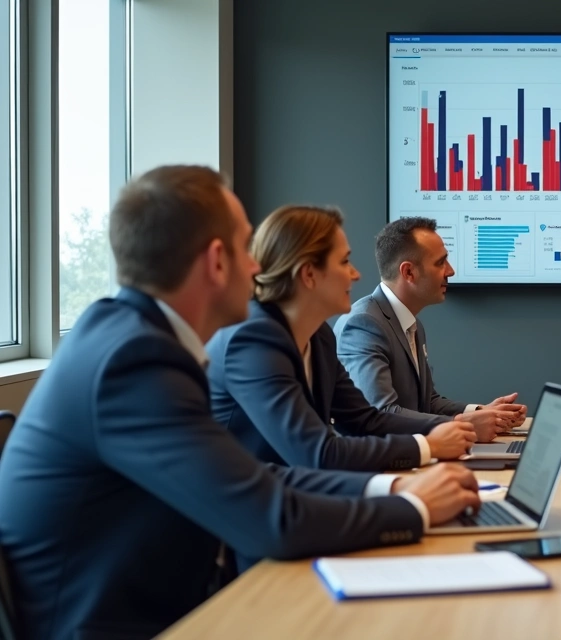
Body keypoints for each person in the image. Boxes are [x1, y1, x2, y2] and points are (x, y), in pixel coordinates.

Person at [0, 166, 480, 640]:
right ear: (216, 261)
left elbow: (256, 477)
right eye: (245, 247)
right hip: (125, 623)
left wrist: (394, 490)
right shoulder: (135, 360)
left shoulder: (134, 338)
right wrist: (414, 507)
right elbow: (273, 519)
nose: (258, 267)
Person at [208, 205, 478, 473]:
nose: (355, 274)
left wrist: (455, 427)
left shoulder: (319, 336)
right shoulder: (253, 341)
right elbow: (319, 453)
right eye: (344, 261)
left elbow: (365, 421)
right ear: (309, 273)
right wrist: (428, 446)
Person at [335, 217, 526, 433]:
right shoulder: (364, 325)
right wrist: (463, 425)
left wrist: (483, 412)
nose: (450, 271)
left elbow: (427, 402)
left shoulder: (411, 324)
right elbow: (381, 411)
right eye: (440, 262)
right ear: (408, 272)